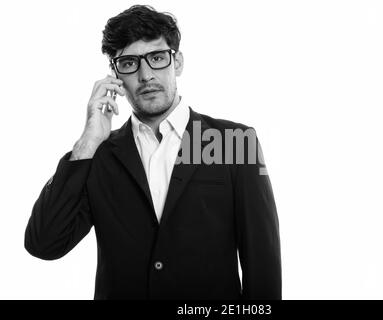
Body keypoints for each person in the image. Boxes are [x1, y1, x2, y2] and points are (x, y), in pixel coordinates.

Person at [25, 4, 281, 300]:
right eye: (130, 63)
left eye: (157, 58)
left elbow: (262, 263)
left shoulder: (234, 140)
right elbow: (43, 244)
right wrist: (87, 142)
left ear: (178, 63)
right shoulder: (100, 155)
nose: (146, 75)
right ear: (115, 74)